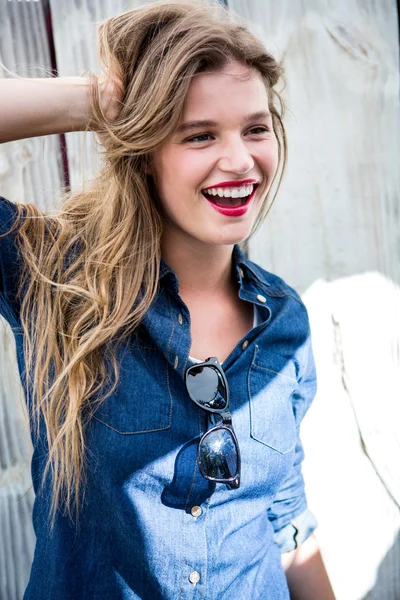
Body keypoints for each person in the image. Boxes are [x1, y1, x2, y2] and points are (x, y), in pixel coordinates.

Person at [0, 0, 336, 598]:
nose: (239, 161)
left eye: (255, 128)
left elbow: (287, 523)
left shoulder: (287, 323)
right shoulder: (56, 279)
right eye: (199, 134)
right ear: (146, 152)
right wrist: (103, 102)